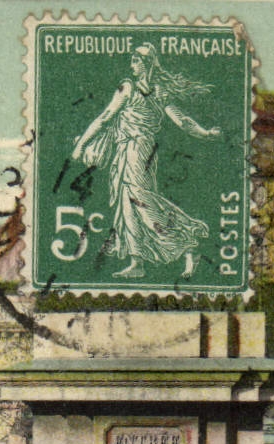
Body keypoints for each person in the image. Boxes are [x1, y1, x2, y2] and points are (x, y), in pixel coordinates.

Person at [69, 44, 221, 279]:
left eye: (135, 60)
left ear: (147, 63)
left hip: (139, 151)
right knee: (127, 205)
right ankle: (137, 262)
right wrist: (205, 133)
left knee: (142, 202)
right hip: (125, 150)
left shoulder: (141, 90)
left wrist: (205, 133)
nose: (132, 64)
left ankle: (188, 244)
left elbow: (181, 121)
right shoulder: (136, 88)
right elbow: (106, 117)